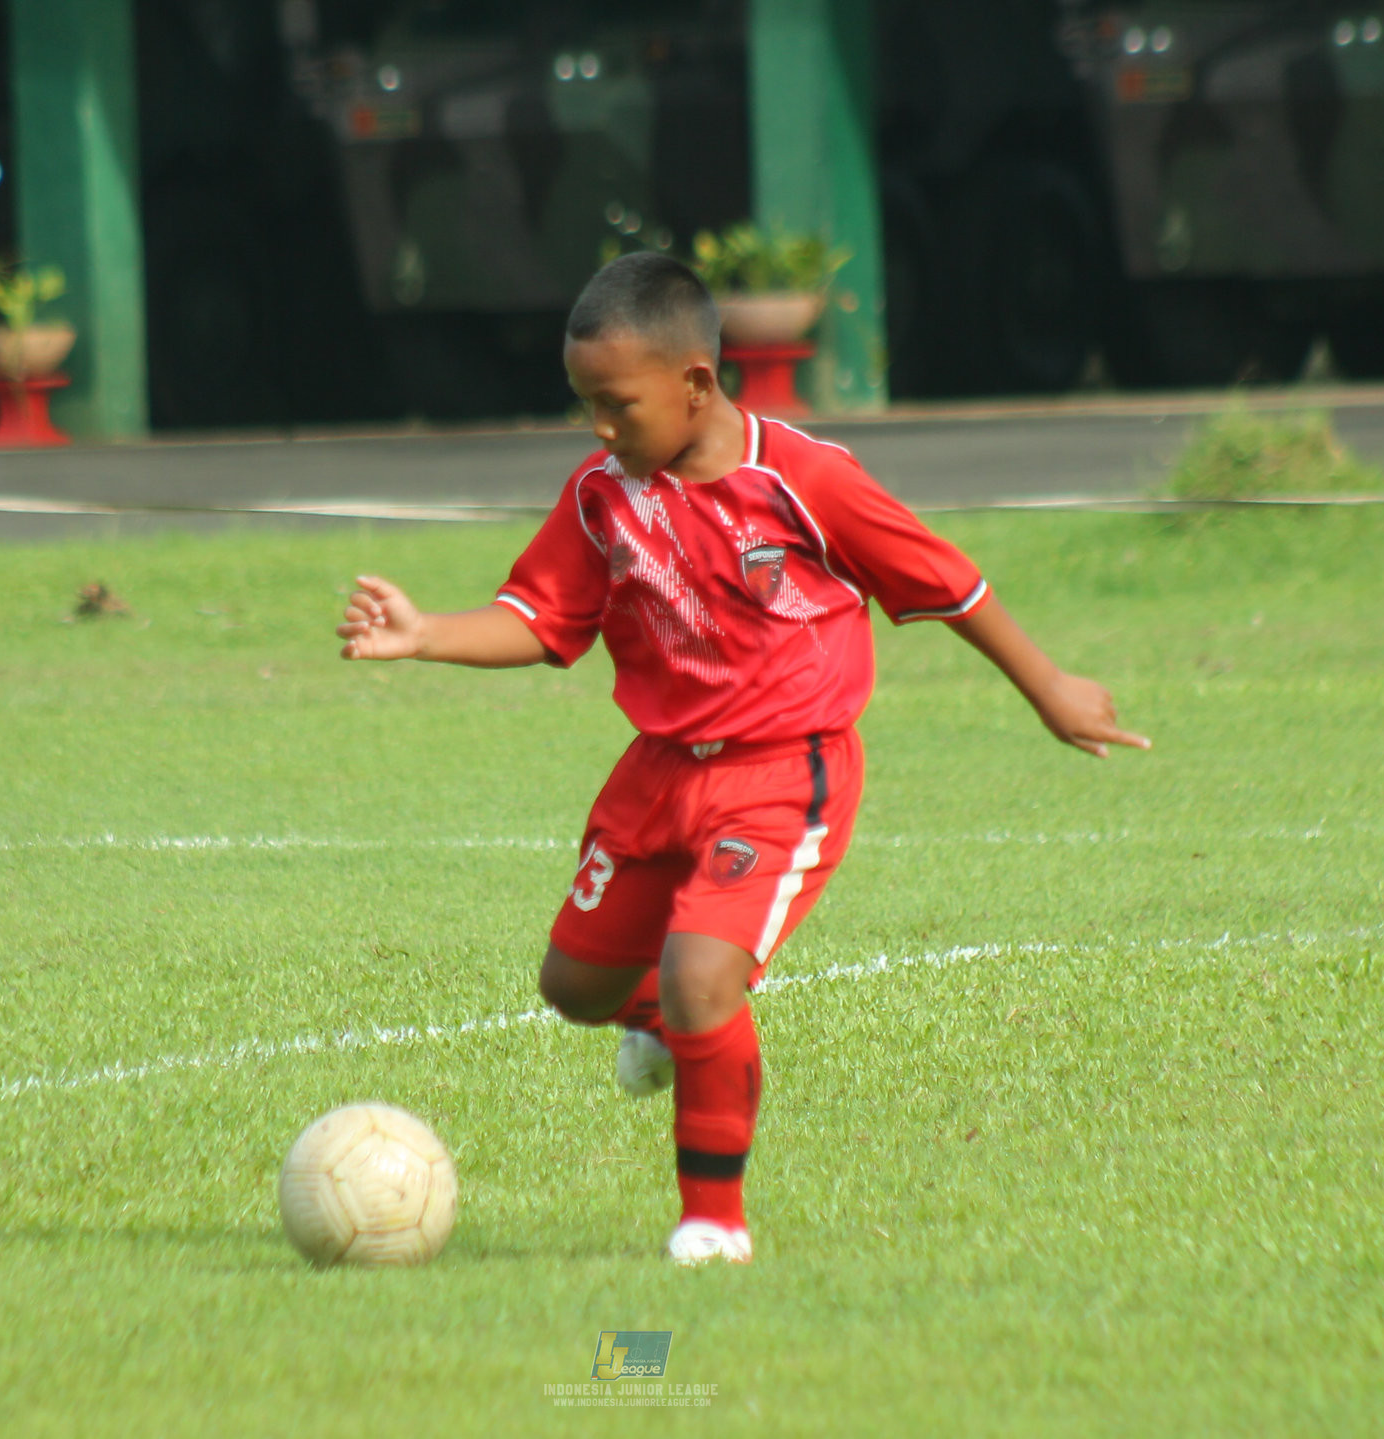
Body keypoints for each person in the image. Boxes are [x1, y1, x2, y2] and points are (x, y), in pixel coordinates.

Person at [336, 253, 1149, 1266]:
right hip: (658, 769)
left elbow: (946, 582)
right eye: (584, 403)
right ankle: (670, 1027)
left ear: (696, 385)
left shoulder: (803, 481)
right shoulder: (602, 491)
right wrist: (424, 634)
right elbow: (540, 618)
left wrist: (1048, 686)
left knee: (700, 977)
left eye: (616, 404)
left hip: (782, 772)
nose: (598, 427)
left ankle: (712, 1223)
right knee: (576, 984)